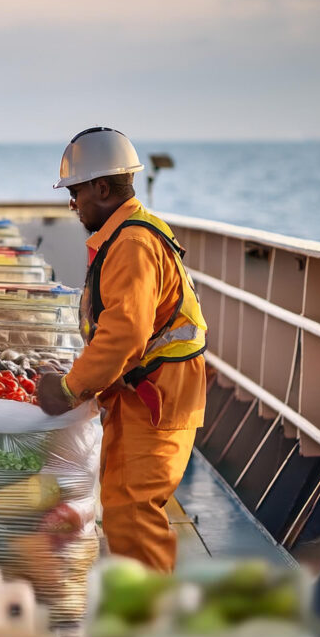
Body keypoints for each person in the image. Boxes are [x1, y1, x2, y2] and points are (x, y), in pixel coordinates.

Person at [37, 127, 208, 572]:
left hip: (157, 398)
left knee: (133, 511)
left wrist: (70, 387)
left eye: (76, 192)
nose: (72, 204)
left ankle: (148, 627)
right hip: (145, 393)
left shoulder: (131, 244)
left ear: (102, 187)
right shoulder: (129, 234)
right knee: (121, 500)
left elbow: (125, 334)